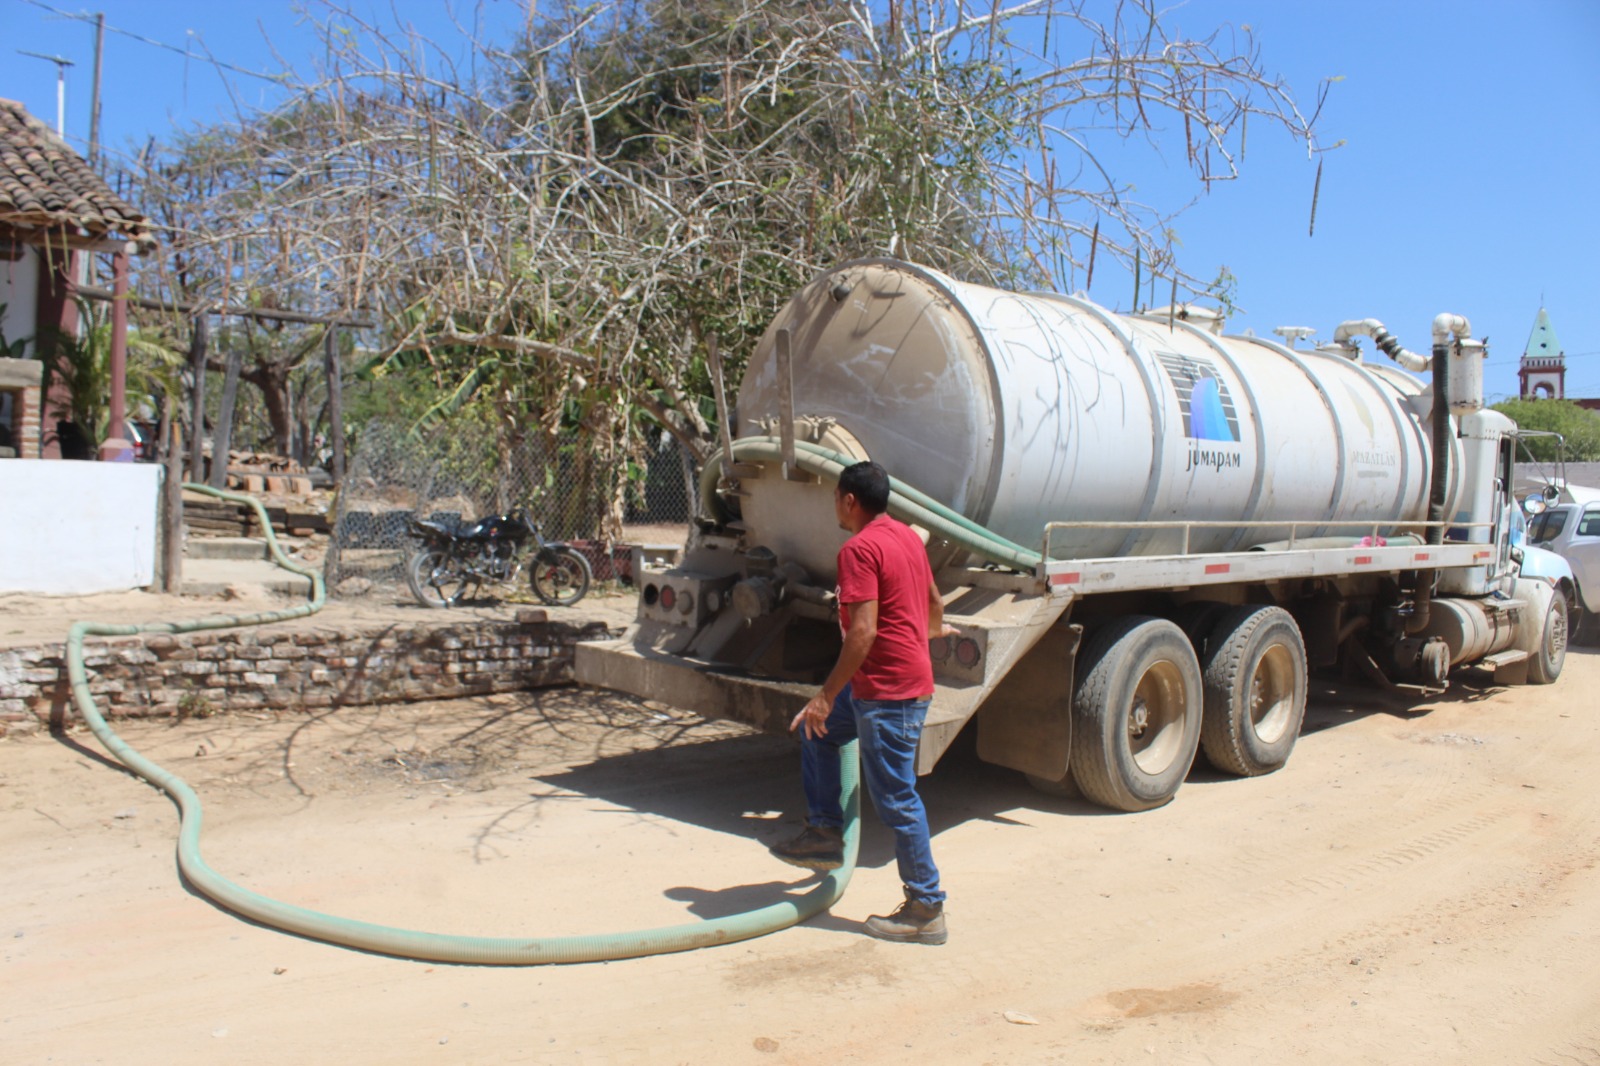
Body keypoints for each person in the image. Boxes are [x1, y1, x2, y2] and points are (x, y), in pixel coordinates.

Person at [769, 460, 955, 945]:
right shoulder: (907, 538)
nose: (835, 504)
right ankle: (825, 833)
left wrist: (826, 694)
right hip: (886, 685)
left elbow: (863, 631)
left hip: (890, 694)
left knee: (897, 799)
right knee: (818, 730)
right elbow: (935, 604)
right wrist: (927, 634)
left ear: (849, 500)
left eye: (835, 497)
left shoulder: (859, 549)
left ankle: (926, 907)